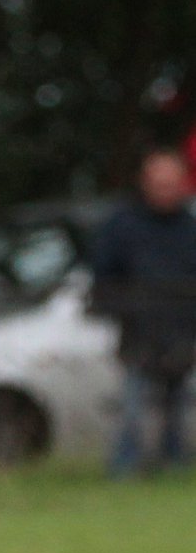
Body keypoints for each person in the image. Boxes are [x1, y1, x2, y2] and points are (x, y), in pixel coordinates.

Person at [91, 147, 196, 474]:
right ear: (145, 182)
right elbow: (103, 277)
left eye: (171, 182)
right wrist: (121, 309)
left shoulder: (190, 227)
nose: (165, 190)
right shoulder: (122, 226)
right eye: (159, 182)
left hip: (182, 332)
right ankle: (125, 464)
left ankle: (175, 463)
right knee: (132, 405)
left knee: (178, 405)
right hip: (138, 331)